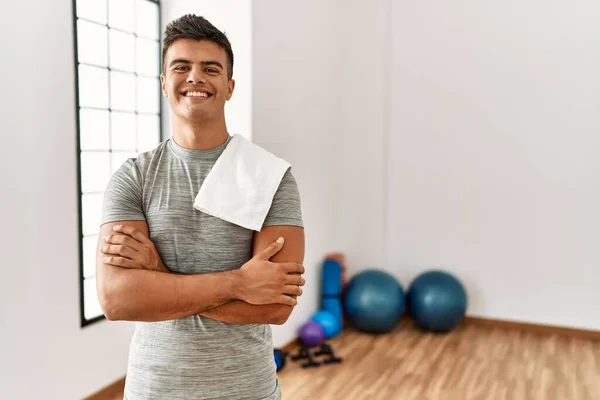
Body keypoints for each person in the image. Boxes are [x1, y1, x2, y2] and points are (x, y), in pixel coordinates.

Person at [96, 14, 305, 400]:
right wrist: (238, 283)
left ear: (229, 86)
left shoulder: (272, 177)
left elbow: (274, 308)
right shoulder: (133, 178)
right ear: (164, 83)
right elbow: (118, 299)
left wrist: (158, 274)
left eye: (210, 68)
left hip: (246, 390)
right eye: (181, 67)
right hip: (153, 389)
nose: (195, 77)